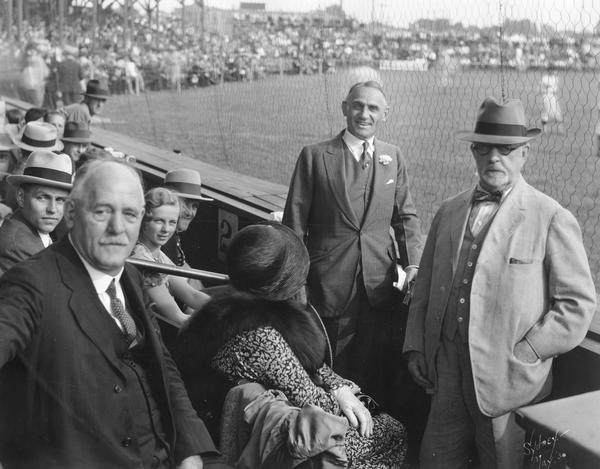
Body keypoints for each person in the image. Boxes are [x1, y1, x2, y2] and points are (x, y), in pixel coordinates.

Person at [403, 97, 596, 469]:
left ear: (525, 154)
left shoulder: (550, 216)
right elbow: (424, 286)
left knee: (502, 462)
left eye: (507, 149)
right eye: (484, 148)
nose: (495, 157)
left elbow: (577, 306)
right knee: (435, 459)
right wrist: (416, 345)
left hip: (509, 382)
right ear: (473, 153)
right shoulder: (449, 211)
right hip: (446, 374)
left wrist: (528, 351)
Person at [0, 159, 225, 468]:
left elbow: (164, 367)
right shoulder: (30, 283)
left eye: (130, 214)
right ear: (72, 213)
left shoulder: (130, 276)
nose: (118, 228)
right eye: (102, 211)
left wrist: (191, 449)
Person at [175, 222, 408, 467]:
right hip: (273, 439)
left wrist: (339, 387)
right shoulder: (261, 337)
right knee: (393, 431)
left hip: (259, 423)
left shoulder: (225, 312)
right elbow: (313, 400)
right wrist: (351, 397)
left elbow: (306, 370)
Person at [282, 80, 424, 410]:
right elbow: (293, 226)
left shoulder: (393, 156)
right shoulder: (315, 156)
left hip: (379, 286)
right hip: (327, 283)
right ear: (345, 107)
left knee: (374, 366)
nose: (364, 114)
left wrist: (413, 263)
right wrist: (294, 282)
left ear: (385, 114)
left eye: (373, 108)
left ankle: (369, 439)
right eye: (358, 105)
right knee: (330, 366)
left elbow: (406, 218)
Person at [131, 187, 210, 326]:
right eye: (159, 221)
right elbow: (178, 317)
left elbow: (192, 295)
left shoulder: (158, 255)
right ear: (143, 220)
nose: (166, 229)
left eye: (172, 222)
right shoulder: (141, 258)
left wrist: (228, 309)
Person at [0, 150, 72, 275]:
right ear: (21, 197)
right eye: (43, 197)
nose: (52, 209)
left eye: (60, 200)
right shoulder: (20, 248)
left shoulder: (31, 232)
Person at [162, 169, 212, 270]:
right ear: (168, 202)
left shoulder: (172, 236)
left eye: (194, 206)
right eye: (185, 203)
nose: (190, 212)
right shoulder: (164, 237)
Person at [540, 66, 564, 134]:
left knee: (557, 112)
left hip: (553, 96)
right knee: (546, 113)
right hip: (546, 96)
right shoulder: (545, 78)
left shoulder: (555, 77)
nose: (551, 71)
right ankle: (545, 130)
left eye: (552, 69)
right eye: (550, 70)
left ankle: (561, 130)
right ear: (548, 70)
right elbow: (543, 86)